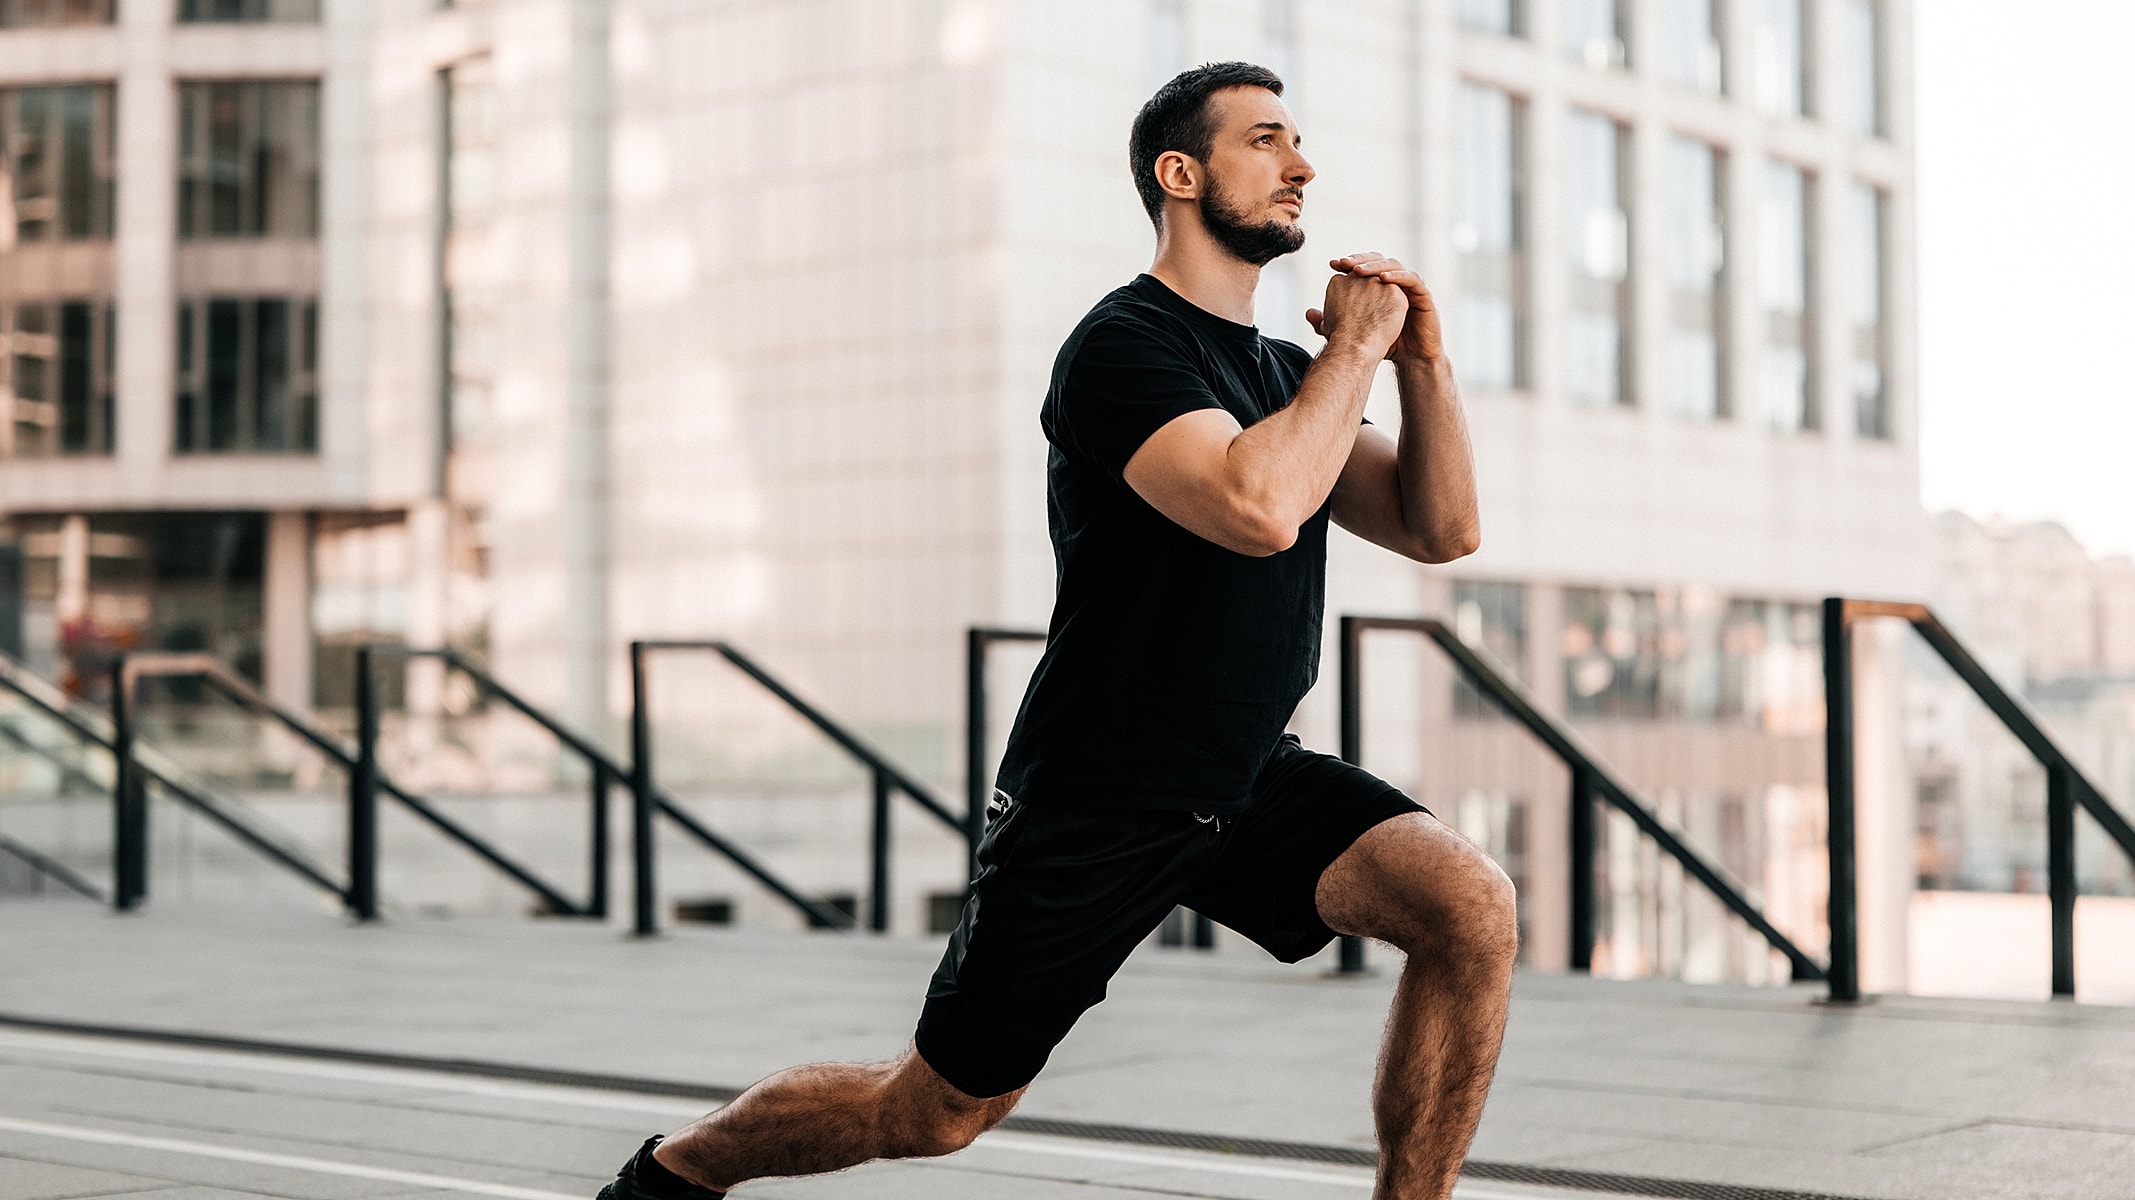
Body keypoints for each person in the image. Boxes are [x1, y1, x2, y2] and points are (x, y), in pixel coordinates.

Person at [599, 61, 1515, 1200]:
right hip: (1099, 793)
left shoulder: (1287, 375)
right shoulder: (1123, 346)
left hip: (1243, 777)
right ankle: (673, 1176)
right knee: (934, 1111)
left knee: (1468, 908)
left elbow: (1442, 528)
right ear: (1181, 175)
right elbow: (1256, 506)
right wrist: (1351, 354)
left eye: (1298, 144)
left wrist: (1418, 362)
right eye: (1267, 141)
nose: (1302, 166)